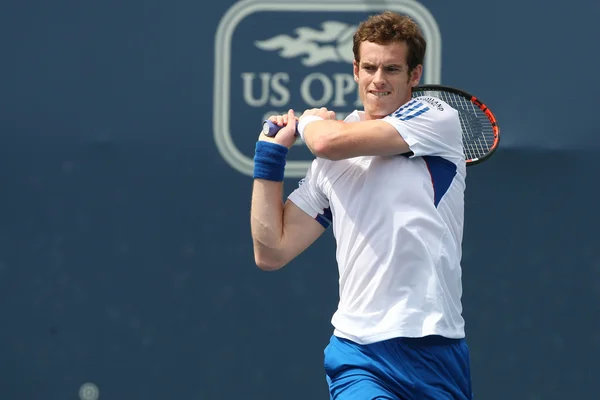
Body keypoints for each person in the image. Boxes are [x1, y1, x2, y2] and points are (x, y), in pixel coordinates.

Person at [250, 10, 472, 400]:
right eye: (369, 67)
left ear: (414, 75)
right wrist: (268, 158)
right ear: (355, 70)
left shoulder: (436, 117)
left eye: (391, 69)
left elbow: (325, 142)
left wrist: (307, 123)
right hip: (358, 353)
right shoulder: (330, 164)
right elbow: (271, 251)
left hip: (437, 349)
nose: (378, 80)